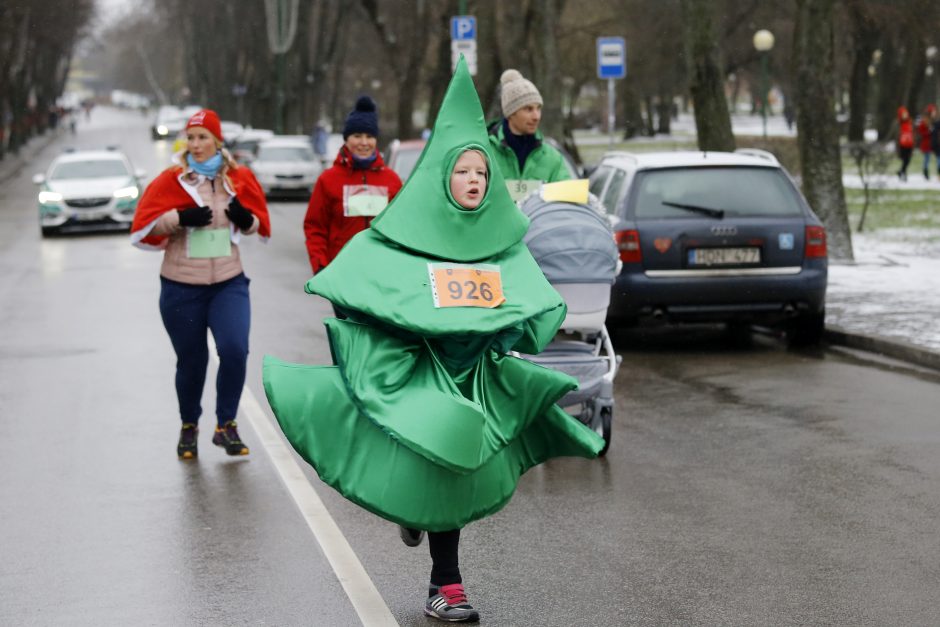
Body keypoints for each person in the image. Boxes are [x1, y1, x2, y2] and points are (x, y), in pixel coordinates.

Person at [263, 58, 603, 624]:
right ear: (443, 176)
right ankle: (445, 581)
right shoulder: (401, 238)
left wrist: (514, 324)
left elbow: (530, 299)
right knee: (442, 455)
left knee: (460, 467)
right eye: (465, 171)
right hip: (416, 371)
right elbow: (355, 277)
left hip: (475, 377)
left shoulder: (503, 246)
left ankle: (438, 559)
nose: (476, 180)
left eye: (483, 175)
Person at [130, 109, 271, 460]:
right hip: (181, 286)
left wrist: (245, 219)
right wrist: (177, 218)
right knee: (192, 362)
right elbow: (141, 229)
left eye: (203, 137)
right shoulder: (171, 180)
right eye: (191, 138)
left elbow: (259, 226)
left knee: (235, 349)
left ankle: (226, 426)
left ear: (217, 141)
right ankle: (189, 425)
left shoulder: (238, 178)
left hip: (228, 281)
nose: (196, 144)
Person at [303, 96, 402, 281]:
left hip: (382, 274)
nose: (364, 143)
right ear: (346, 139)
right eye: (357, 136)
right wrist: (320, 266)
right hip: (342, 273)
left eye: (370, 136)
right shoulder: (328, 179)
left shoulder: (392, 180)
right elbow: (315, 227)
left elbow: (402, 227)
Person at [487, 68, 571, 201]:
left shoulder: (552, 158)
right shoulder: (484, 154)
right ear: (511, 113)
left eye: (538, 108)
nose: (536, 116)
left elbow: (565, 206)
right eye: (528, 109)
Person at [916, 104, 935, 180]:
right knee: (927, 158)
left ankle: (926, 171)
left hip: (930, 143)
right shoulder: (925, 121)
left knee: (928, 158)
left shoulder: (931, 120)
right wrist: (929, 132)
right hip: (926, 143)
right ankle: (925, 171)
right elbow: (921, 132)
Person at [896, 105, 915, 181]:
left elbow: (912, 133)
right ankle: (903, 173)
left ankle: (901, 172)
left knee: (907, 160)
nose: (905, 115)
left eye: (906, 114)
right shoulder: (899, 123)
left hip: (909, 144)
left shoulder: (910, 122)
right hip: (902, 145)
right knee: (905, 160)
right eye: (903, 114)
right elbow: (897, 135)